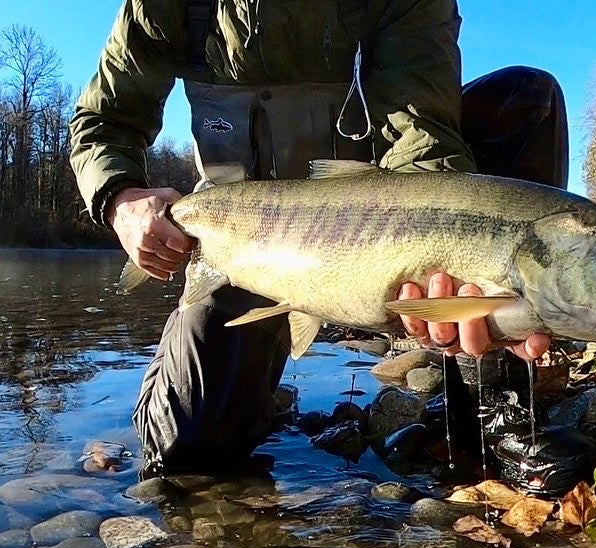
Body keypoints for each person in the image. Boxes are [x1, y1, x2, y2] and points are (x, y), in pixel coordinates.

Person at [69, 0, 568, 474]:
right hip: (247, 244)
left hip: (378, 233)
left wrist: (458, 266)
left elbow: (423, 135)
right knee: (185, 448)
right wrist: (120, 198)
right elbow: (105, 120)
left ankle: (493, 395)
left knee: (524, 101)